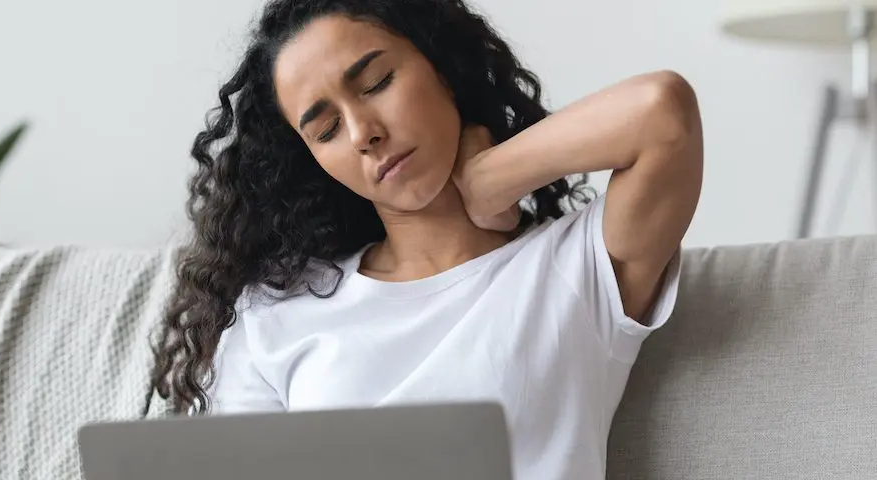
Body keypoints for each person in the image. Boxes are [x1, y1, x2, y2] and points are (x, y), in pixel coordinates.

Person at [153, 0, 702, 478]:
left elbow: (662, 113)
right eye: (326, 131)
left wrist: (491, 179)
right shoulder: (276, 313)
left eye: (376, 84)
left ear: (443, 67)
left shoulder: (577, 268)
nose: (363, 132)